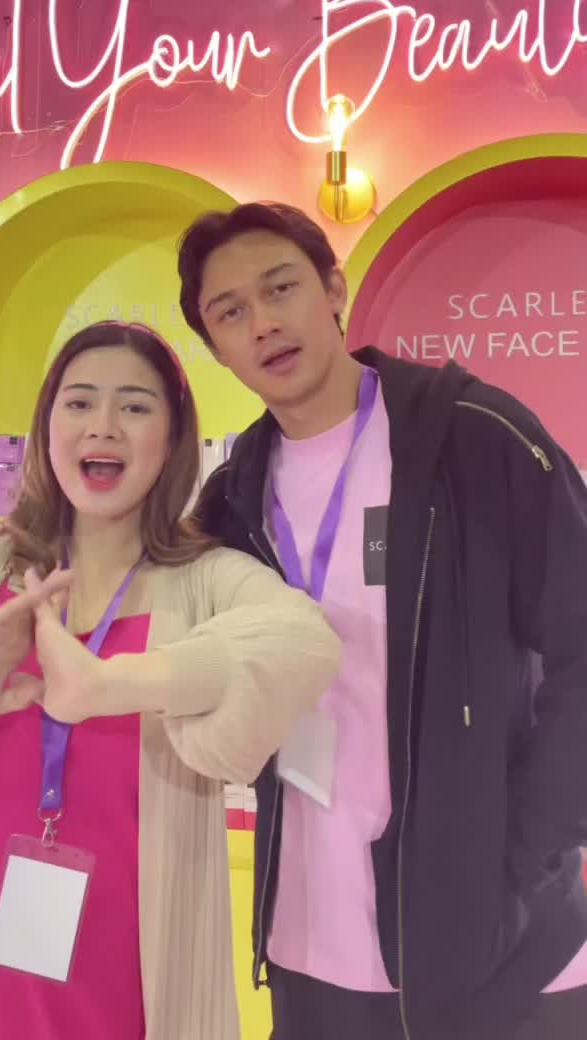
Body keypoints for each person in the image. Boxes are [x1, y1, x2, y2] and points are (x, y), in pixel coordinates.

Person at [176, 201, 587, 1040]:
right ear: (215, 347)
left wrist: (524, 854)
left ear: (334, 290)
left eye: (280, 288)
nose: (264, 324)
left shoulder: (473, 436)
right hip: (309, 941)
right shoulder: (233, 497)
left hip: (493, 947)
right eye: (231, 312)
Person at [0, 320, 340, 1040]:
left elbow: (304, 640)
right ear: (48, 427)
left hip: (123, 979)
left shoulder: (205, 579)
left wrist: (109, 685)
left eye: (135, 406)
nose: (104, 426)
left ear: (172, 440)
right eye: (80, 402)